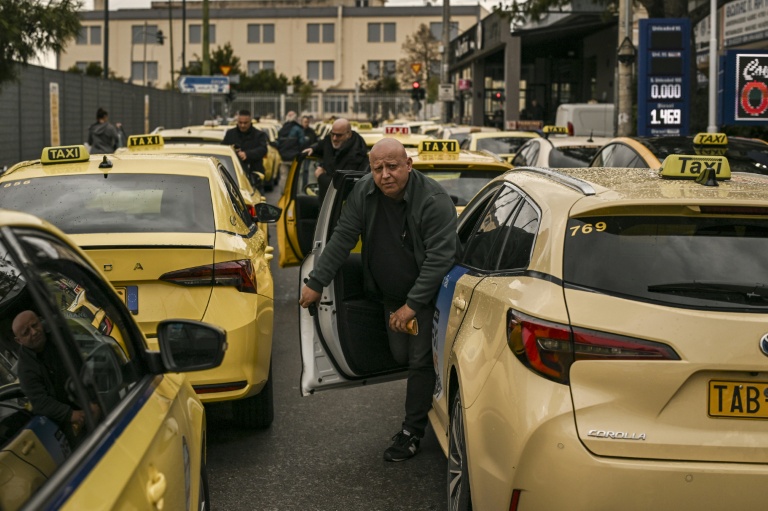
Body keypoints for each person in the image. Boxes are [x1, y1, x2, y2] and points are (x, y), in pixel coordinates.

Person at [299, 138, 458, 462]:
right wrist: (317, 281)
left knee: (419, 361)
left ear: (408, 165)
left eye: (392, 167)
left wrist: (412, 305)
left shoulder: (433, 200)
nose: (385, 175)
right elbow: (343, 236)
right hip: (389, 296)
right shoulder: (364, 191)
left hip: (426, 296)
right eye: (377, 168)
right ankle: (429, 391)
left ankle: (412, 432)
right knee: (401, 355)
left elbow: (439, 260)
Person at [13, 310, 98, 447]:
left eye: (34, 325)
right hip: (72, 420)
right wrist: (72, 414)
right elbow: (40, 402)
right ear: (19, 341)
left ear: (40, 320)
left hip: (95, 395)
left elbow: (91, 352)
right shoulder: (25, 370)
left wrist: (95, 399)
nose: (34, 332)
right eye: (26, 332)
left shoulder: (60, 331)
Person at [302, 118, 369, 201]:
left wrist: (321, 176)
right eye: (332, 134)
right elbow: (322, 144)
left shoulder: (357, 155)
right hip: (325, 201)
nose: (334, 138)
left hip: (340, 205)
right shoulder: (329, 141)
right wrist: (313, 148)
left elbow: (342, 187)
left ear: (348, 134)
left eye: (339, 135)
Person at [222, 109, 268, 190]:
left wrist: (247, 154)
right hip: (233, 177)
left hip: (254, 178)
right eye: (240, 123)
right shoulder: (230, 134)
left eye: (245, 123)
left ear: (250, 121)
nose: (242, 125)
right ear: (237, 121)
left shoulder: (259, 135)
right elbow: (223, 150)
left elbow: (263, 149)